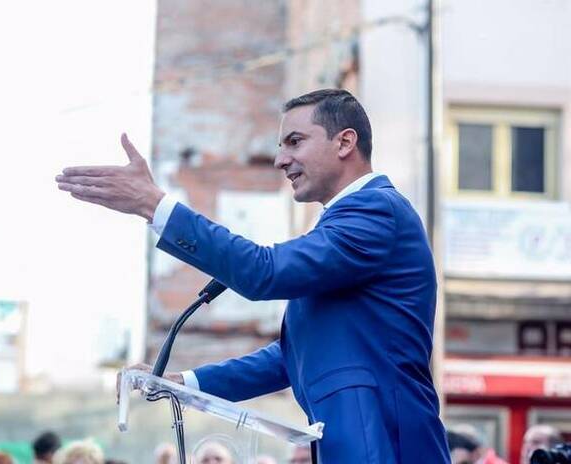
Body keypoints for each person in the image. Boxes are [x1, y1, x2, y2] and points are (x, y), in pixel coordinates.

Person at [56, 88, 450, 463]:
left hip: (386, 447)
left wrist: (155, 206)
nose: (280, 160)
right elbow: (292, 356)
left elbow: (265, 272)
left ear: (345, 142)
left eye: (294, 142)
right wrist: (183, 382)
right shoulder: (347, 222)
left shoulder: (375, 212)